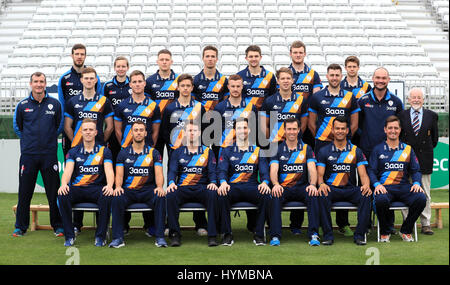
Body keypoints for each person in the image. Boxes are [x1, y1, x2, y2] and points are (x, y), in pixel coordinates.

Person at [12, 72, 64, 237]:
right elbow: (18, 127)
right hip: (29, 155)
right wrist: (29, 141)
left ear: (45, 83)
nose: (39, 84)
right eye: (36, 81)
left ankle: (58, 226)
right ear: (31, 84)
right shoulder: (22, 105)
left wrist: (48, 139)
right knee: (25, 192)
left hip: (49, 154)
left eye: (42, 81)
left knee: (53, 192)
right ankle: (20, 227)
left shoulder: (55, 104)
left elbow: (59, 126)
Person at [261, 67, 309, 235]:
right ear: (278, 81)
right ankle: (273, 225)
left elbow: (303, 123)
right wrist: (273, 140)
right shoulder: (269, 100)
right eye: (283, 78)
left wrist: (293, 138)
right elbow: (265, 125)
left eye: (289, 78)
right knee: (275, 183)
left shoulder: (301, 100)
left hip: (295, 145)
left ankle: (296, 225)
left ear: (292, 80)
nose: (286, 81)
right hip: (275, 146)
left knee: (296, 179)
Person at [113, 70, 161, 235]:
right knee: (127, 186)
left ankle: (150, 225)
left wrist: (150, 147)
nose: (138, 84)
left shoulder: (153, 105)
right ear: (130, 84)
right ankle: (124, 225)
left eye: (140, 81)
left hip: (147, 153)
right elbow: (117, 130)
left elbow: (155, 130)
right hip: (128, 153)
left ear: (144, 83)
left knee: (149, 186)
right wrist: (124, 147)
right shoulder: (122, 105)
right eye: (134, 82)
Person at [161, 73, 208, 236]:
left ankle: (201, 224)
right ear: (178, 87)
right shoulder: (170, 108)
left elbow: (204, 129)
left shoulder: (199, 107)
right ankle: (171, 224)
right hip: (176, 153)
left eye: (188, 86)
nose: (186, 88)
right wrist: (174, 147)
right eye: (183, 86)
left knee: (196, 181)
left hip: (195, 152)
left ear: (192, 88)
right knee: (174, 185)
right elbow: (165, 131)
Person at [358, 67, 404, 234]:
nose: (380, 81)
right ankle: (367, 224)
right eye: (378, 77)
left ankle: (388, 225)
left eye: (384, 78)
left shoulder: (396, 102)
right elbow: (357, 127)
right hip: (367, 152)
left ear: (388, 80)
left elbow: (400, 128)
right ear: (373, 79)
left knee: (387, 187)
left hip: (389, 155)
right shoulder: (362, 100)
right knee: (367, 189)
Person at [109, 120, 167, 248]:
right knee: (117, 197)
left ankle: (160, 237)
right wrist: (118, 187)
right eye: (136, 130)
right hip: (128, 190)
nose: (139, 133)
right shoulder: (123, 153)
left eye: (141, 130)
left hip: (148, 190)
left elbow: (159, 173)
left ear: (146, 133)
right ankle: (118, 238)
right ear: (131, 133)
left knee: (160, 197)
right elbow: (119, 174)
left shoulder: (154, 153)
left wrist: (159, 187)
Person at [368, 115, 427, 242]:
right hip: (385, 188)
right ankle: (384, 232)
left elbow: (416, 170)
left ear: (400, 130)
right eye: (390, 128)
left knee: (421, 198)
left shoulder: (408, 149)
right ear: (385, 130)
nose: (393, 131)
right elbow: (371, 171)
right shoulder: (377, 149)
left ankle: (406, 230)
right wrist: (377, 184)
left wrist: (416, 183)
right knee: (380, 200)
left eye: (395, 128)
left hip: (404, 187)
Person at [57, 118, 114, 247]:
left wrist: (110, 186)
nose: (88, 132)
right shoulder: (73, 151)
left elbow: (109, 171)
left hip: (96, 189)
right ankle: (69, 236)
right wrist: (64, 184)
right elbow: (67, 171)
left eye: (91, 130)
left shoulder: (104, 151)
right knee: (62, 195)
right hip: (78, 189)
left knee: (107, 195)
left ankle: (100, 236)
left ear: (96, 132)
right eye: (85, 130)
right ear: (81, 132)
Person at [316, 116, 372, 246]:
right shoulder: (324, 151)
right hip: (332, 189)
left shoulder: (356, 151)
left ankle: (359, 235)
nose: (340, 131)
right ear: (332, 130)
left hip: (350, 189)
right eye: (337, 128)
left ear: (347, 130)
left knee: (366, 194)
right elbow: (320, 174)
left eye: (343, 128)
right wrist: (322, 184)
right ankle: (328, 235)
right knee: (322, 195)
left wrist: (366, 185)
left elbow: (363, 174)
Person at [217, 118, 271, 246]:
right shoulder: (227, 150)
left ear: (249, 130)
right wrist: (223, 182)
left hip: (251, 186)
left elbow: (264, 172)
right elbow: (222, 170)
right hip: (233, 187)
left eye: (245, 128)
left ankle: (258, 234)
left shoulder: (258, 150)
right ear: (235, 130)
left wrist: (264, 182)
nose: (243, 131)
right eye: (239, 128)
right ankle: (227, 234)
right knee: (221, 195)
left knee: (265, 195)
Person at [269, 118, 322, 246]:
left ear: (299, 130)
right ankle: (275, 235)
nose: (291, 132)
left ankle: (314, 234)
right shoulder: (277, 149)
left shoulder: (306, 148)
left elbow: (312, 170)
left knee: (313, 194)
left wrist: (313, 185)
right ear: (284, 131)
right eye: (289, 129)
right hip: (284, 188)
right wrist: (276, 184)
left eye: (294, 129)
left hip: (301, 188)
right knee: (274, 195)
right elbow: (274, 170)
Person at [166, 121, 220, 247]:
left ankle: (212, 235)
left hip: (201, 188)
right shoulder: (177, 152)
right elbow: (172, 171)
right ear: (184, 133)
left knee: (213, 193)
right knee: (171, 194)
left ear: (199, 133)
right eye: (189, 131)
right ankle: (175, 235)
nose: (192, 133)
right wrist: (171, 182)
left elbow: (212, 171)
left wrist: (213, 182)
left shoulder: (208, 152)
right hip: (183, 188)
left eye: (194, 131)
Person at [399, 89, 438, 235]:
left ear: (423, 100)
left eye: (419, 98)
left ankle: (426, 223)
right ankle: (407, 222)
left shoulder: (432, 116)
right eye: (413, 97)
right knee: (406, 192)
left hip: (425, 160)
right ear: (408, 100)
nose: (416, 100)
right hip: (406, 160)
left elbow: (434, 139)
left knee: (425, 193)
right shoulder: (401, 116)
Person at [58, 44, 102, 157]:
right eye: (77, 54)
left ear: (85, 56)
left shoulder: (93, 78)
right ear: (72, 55)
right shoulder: (64, 79)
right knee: (71, 166)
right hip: (70, 132)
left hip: (92, 132)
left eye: (82, 54)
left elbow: (100, 104)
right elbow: (62, 106)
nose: (79, 57)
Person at [308, 64, 360, 156]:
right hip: (322, 143)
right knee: (321, 170)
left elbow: (355, 124)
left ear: (341, 77)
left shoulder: (350, 96)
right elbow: (311, 124)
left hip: (344, 144)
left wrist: (345, 138)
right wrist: (321, 136)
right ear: (327, 76)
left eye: (337, 75)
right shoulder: (317, 96)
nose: (334, 78)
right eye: (332, 75)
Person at [145, 49, 180, 159]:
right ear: (157, 61)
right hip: (157, 126)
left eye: (167, 59)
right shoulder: (150, 81)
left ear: (171, 61)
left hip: (174, 125)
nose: (164, 62)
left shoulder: (179, 80)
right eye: (162, 59)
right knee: (156, 159)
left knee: (175, 159)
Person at [288, 40, 323, 147]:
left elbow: (316, 98)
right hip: (290, 117)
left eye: (300, 52)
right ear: (290, 54)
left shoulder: (313, 74)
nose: (298, 55)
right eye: (295, 52)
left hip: (308, 119)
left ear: (305, 54)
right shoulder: (285, 73)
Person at [101, 56, 132, 163]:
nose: (121, 68)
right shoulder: (107, 86)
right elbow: (103, 107)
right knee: (114, 159)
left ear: (127, 67)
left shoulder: (133, 85)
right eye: (118, 66)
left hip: (130, 128)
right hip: (113, 130)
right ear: (114, 68)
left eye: (123, 66)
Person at [237, 45, 277, 110]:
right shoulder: (240, 76)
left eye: (256, 56)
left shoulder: (270, 76)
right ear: (246, 58)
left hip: (264, 114)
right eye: (251, 56)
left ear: (260, 57)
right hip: (245, 113)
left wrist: (272, 118)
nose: (254, 59)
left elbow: (273, 98)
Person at [193, 45, 228, 112]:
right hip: (200, 117)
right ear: (203, 58)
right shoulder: (195, 80)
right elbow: (192, 102)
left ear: (216, 59)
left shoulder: (224, 80)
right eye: (207, 56)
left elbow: (225, 102)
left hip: (218, 117)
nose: (210, 59)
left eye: (213, 56)